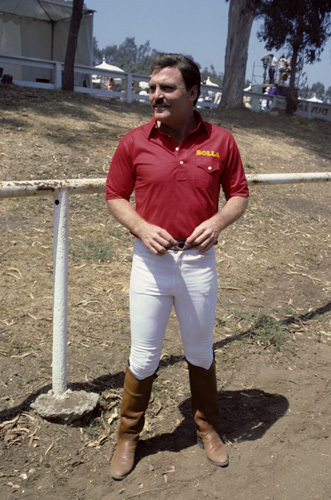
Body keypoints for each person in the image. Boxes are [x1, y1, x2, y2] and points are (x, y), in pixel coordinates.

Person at [105, 53, 249, 480]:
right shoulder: (134, 141)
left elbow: (238, 193)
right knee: (144, 354)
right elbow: (115, 195)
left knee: (200, 350)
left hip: (199, 264)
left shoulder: (221, 141)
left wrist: (219, 220)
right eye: (152, 89)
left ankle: (206, 428)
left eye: (166, 88)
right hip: (150, 265)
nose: (155, 96)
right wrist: (141, 226)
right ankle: (128, 437)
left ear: (193, 92)